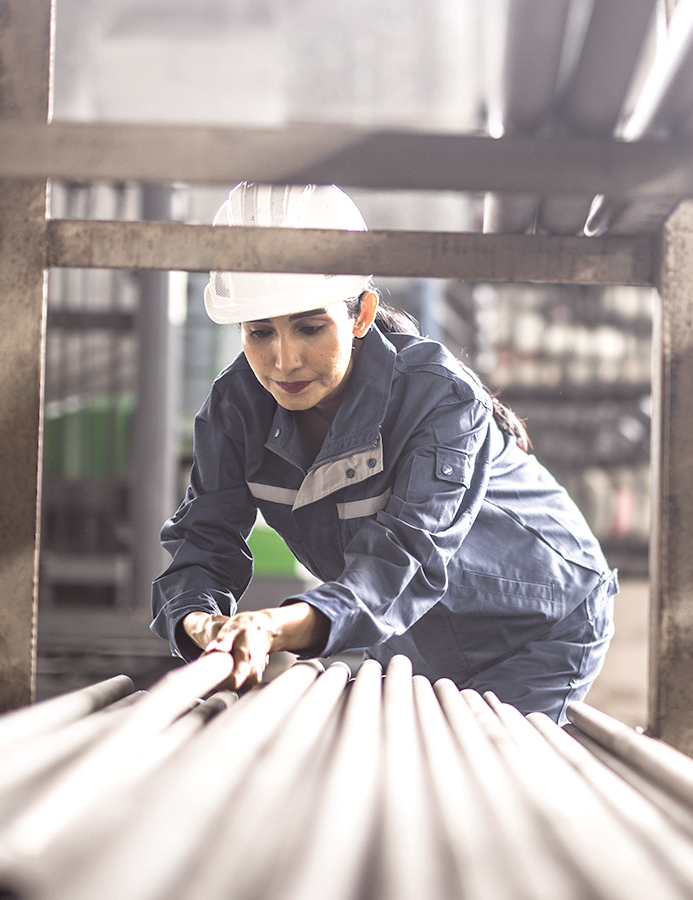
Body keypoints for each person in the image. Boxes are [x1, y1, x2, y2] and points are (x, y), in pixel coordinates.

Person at [150, 182, 616, 722]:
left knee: (479, 786)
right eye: (259, 333)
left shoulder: (438, 398)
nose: (284, 360)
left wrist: (276, 627)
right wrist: (201, 623)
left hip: (540, 623)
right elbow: (204, 543)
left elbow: (405, 558)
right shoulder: (235, 411)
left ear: (361, 314)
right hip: (412, 630)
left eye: (309, 327)